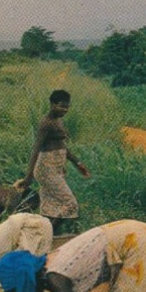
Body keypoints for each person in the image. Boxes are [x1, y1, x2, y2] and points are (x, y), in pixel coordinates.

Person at [15, 90, 90, 233]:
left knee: (50, 207)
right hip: (46, 169)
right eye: (61, 106)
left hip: (56, 168)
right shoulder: (46, 123)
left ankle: (37, 234)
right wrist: (29, 176)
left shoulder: (58, 121)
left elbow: (63, 147)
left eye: (67, 107)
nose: (65, 110)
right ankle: (47, 234)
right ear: (52, 104)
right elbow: (36, 148)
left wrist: (77, 163)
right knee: (70, 204)